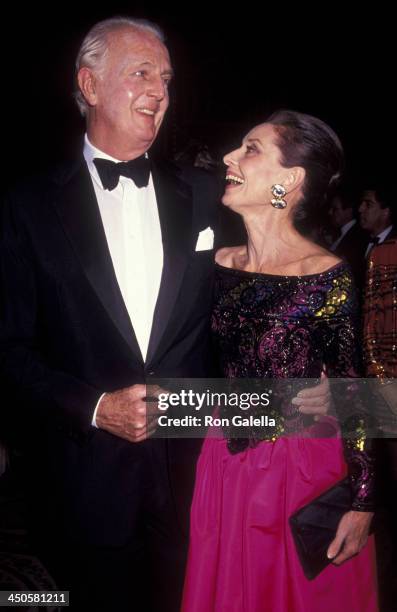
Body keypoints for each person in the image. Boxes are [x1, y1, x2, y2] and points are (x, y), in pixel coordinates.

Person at [0, 18, 331, 611]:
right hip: (84, 485)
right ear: (90, 85)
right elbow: (9, 352)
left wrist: (326, 389)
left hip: (200, 482)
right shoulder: (26, 207)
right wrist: (96, 408)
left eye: (168, 77)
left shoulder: (207, 194)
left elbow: (271, 287)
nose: (160, 89)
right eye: (141, 73)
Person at [182, 110, 378, 612]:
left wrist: (362, 502)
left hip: (299, 465)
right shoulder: (215, 265)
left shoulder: (325, 275)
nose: (230, 156)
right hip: (223, 462)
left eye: (251, 149)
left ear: (288, 180)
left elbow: (357, 392)